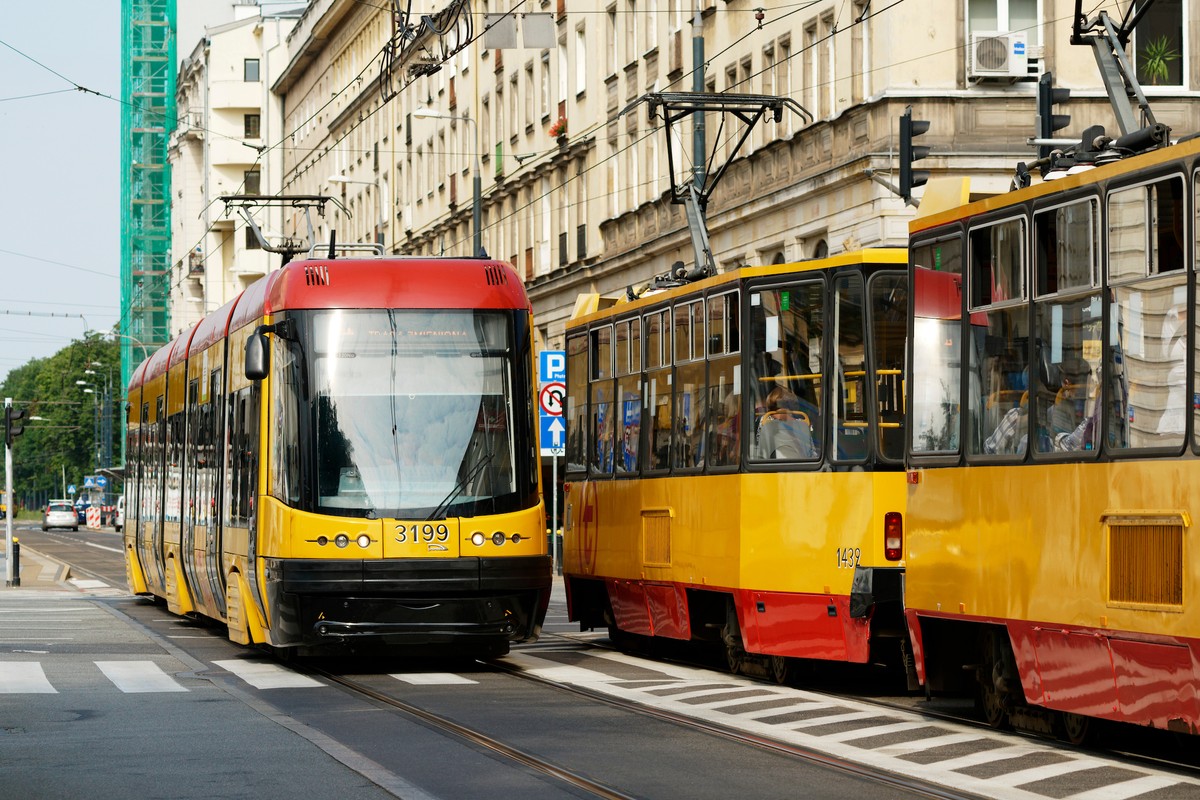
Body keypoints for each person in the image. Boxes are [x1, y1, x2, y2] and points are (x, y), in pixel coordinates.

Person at [757, 386, 816, 459]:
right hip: (801, 467)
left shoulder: (765, 421)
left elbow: (761, 453)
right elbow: (812, 454)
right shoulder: (803, 424)